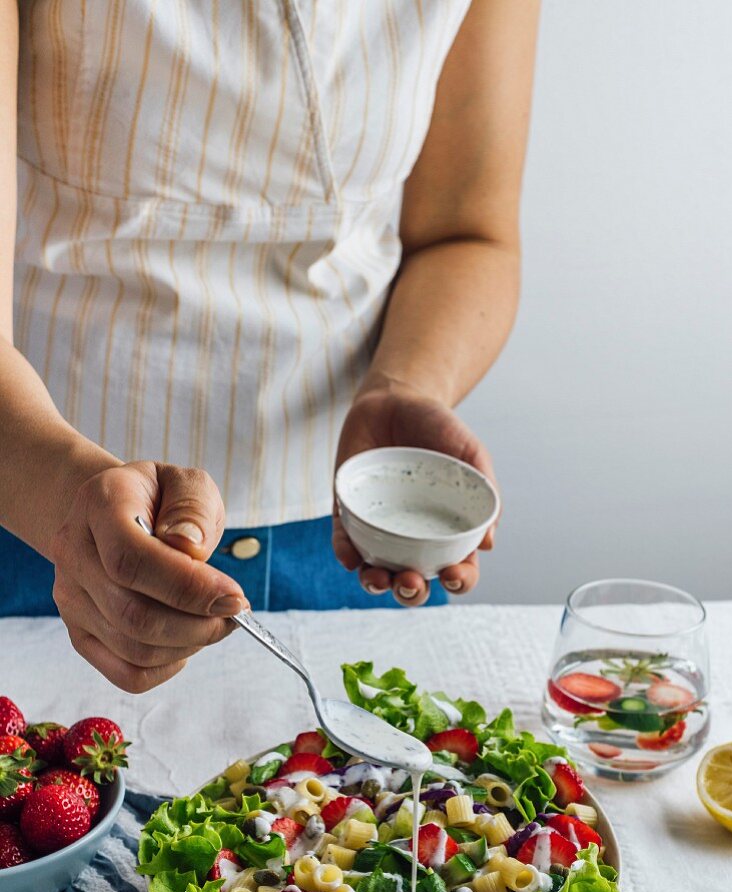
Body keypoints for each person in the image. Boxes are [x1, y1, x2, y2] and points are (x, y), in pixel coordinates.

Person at [0, 0, 539, 692]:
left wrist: (408, 385)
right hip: (41, 509)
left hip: (346, 534)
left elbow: (466, 234)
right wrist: (62, 497)